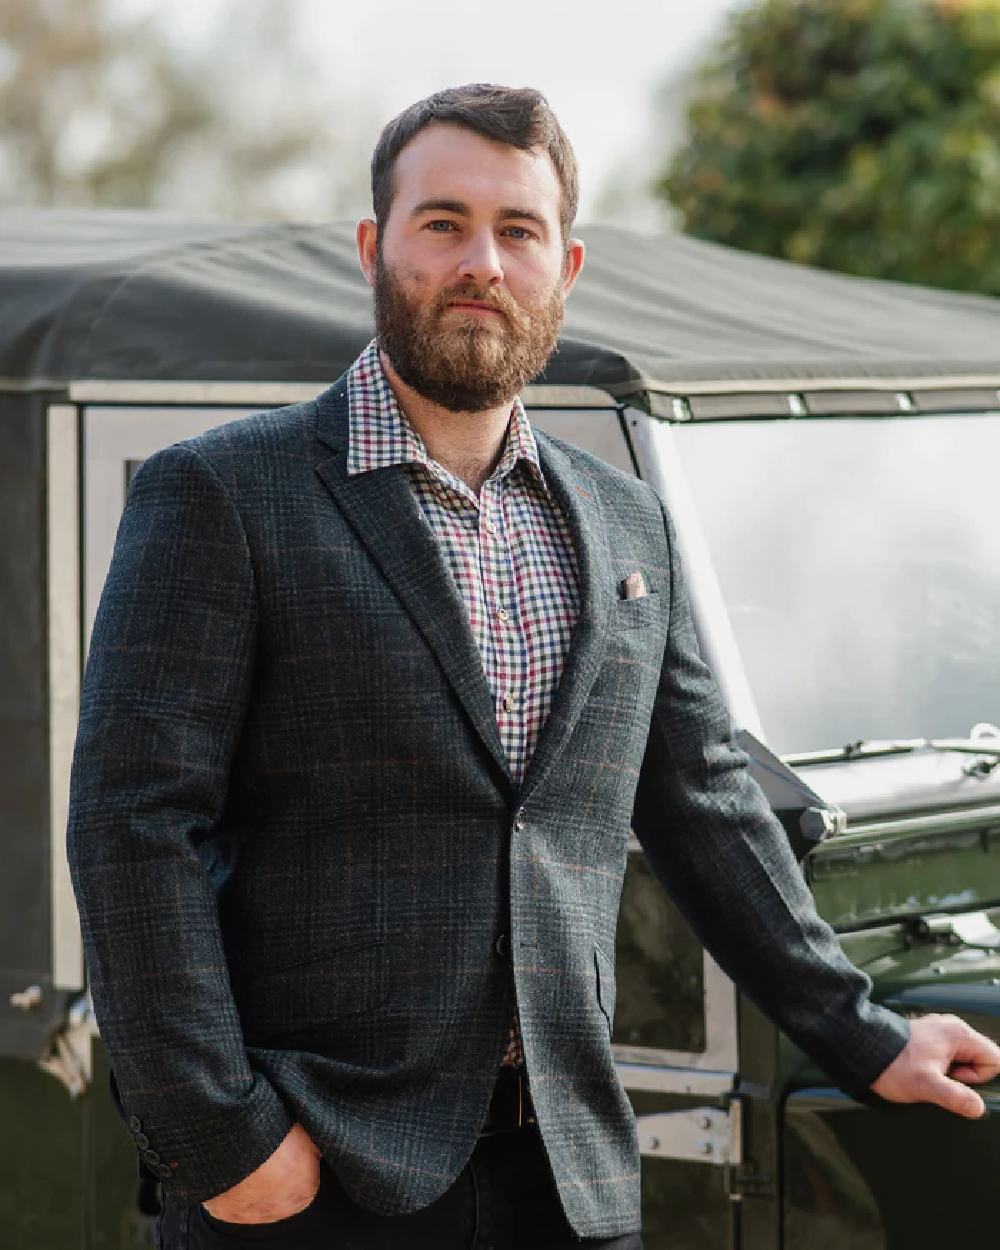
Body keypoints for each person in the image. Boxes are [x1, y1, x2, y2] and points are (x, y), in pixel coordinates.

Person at [67, 83, 1000, 1250]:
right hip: (314, 1179)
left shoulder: (625, 524)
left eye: (516, 231)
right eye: (442, 222)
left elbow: (706, 800)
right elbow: (132, 825)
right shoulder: (221, 493)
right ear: (376, 247)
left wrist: (863, 1032)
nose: (481, 263)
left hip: (567, 1176)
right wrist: (221, 1138)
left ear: (566, 264)